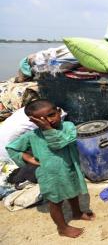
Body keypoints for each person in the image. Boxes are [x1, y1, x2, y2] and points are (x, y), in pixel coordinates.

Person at [6, 99, 94, 238]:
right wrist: (28, 158)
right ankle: (62, 228)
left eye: (52, 115)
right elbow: (12, 148)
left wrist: (48, 130)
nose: (49, 121)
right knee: (56, 202)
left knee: (73, 192)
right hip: (50, 176)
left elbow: (60, 143)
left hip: (70, 169)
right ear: (33, 121)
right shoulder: (32, 136)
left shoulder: (68, 127)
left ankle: (76, 213)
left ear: (59, 112)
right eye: (42, 120)